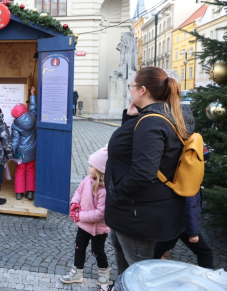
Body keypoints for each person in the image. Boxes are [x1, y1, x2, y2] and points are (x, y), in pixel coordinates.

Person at [104, 67, 195, 279]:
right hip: (140, 210)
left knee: (140, 275)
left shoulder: (152, 122)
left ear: (142, 90)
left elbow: (143, 172)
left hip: (137, 213)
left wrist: (118, 193)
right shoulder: (157, 117)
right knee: (127, 268)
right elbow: (128, 148)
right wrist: (130, 118)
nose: (130, 91)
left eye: (132, 86)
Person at [153, 146, 214, 269]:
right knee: (205, 253)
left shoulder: (180, 168)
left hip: (173, 221)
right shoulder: (192, 178)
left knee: (159, 249)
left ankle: (143, 266)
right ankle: (207, 281)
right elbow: (190, 207)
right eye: (204, 162)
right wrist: (193, 233)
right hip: (183, 224)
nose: (205, 165)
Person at [60, 147, 111, 287]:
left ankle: (104, 273)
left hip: (99, 228)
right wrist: (74, 203)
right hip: (84, 225)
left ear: (100, 170)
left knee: (97, 251)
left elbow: (101, 213)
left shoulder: (104, 190)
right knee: (79, 246)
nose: (88, 168)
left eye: (91, 166)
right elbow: (79, 191)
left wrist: (80, 215)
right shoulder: (87, 180)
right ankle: (77, 272)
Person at [11, 86, 37, 200]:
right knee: (30, 170)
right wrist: (32, 94)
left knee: (20, 171)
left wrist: (10, 152)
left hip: (19, 152)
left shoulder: (15, 125)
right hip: (32, 150)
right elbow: (33, 108)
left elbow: (15, 141)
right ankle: (30, 192)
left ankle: (19, 193)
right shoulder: (32, 117)